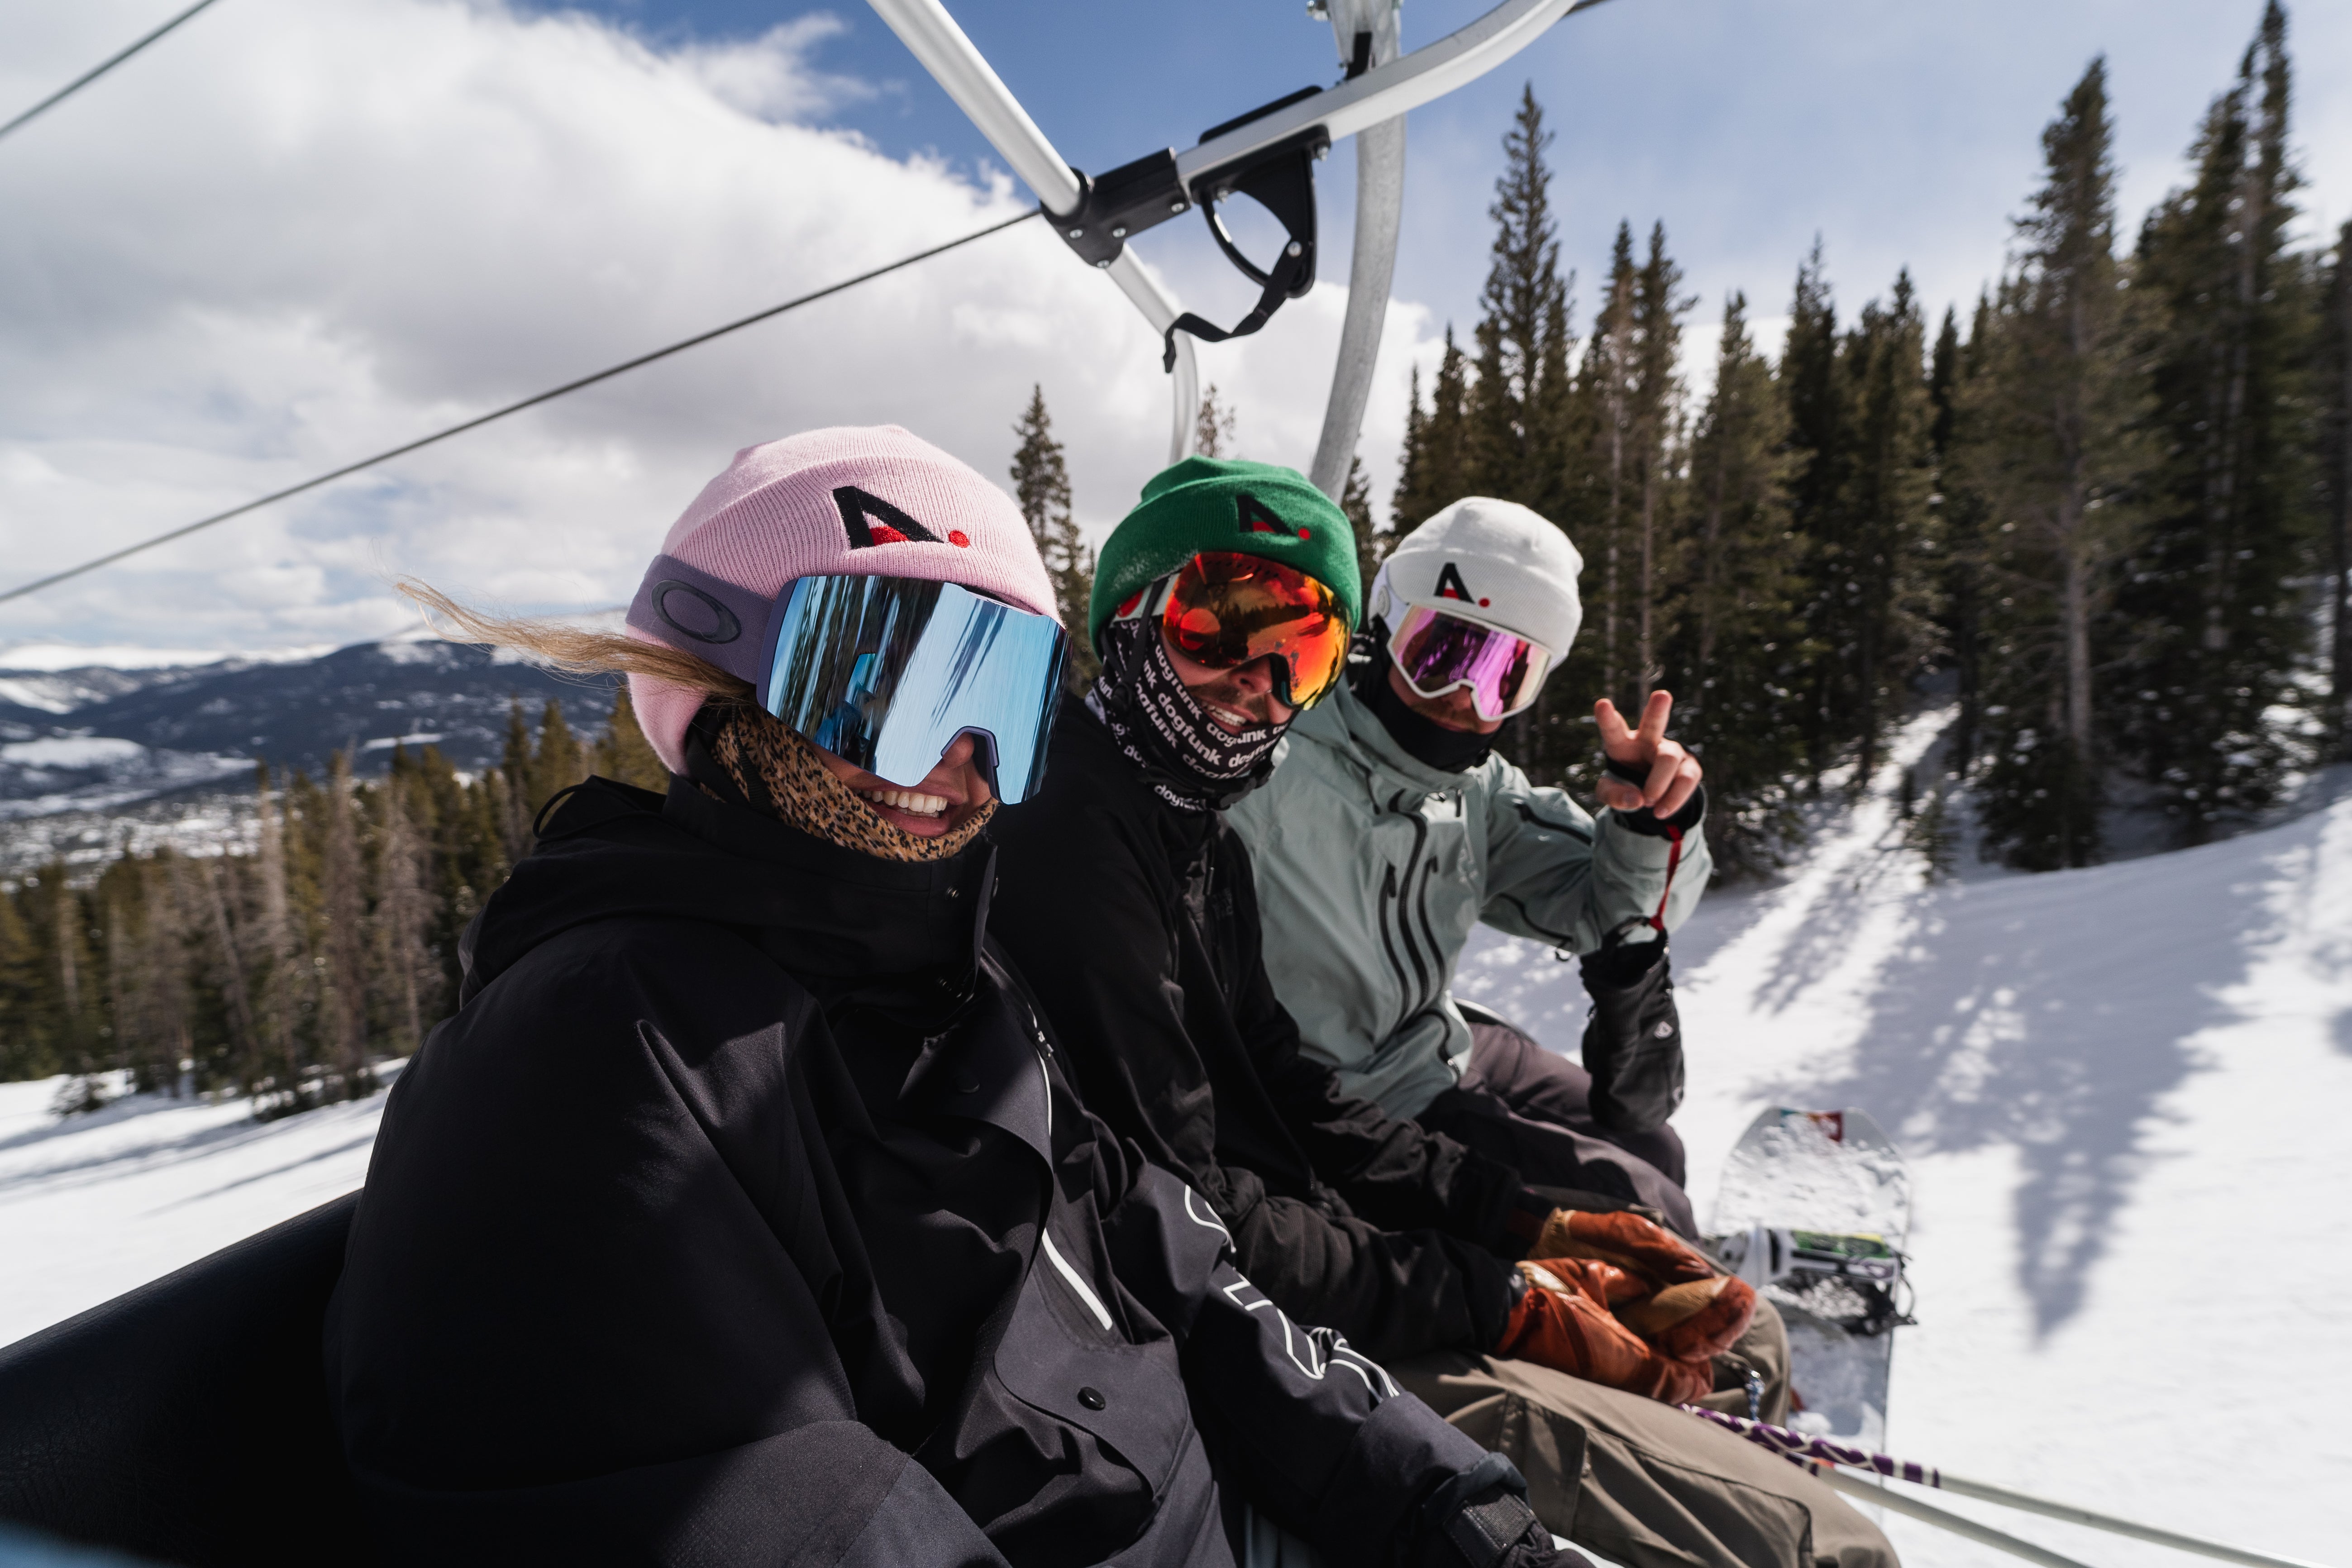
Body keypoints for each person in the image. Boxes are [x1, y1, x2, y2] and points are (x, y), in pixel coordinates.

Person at [324, 428, 1584, 1568]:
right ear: (719, 669)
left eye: (1000, 701)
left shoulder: (950, 978)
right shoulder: (604, 1065)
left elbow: (1172, 1259)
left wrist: (1432, 1499)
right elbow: (782, 1514)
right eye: (890, 686)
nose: (955, 764)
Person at [988, 459, 1894, 1568]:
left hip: (1348, 1185)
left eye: (1296, 656)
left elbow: (1282, 1080)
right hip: (1263, 1318)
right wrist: (1499, 1291)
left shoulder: (1196, 826)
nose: (1255, 686)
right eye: (1214, 627)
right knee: (1821, 1543)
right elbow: (1186, 1218)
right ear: (1124, 613)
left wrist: (1527, 1227)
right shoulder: (1108, 837)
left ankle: (1705, 1403)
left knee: (1651, 1196)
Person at [1227, 496, 1704, 1229]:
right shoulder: (1272, 763)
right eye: (1440, 655)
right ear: (1384, 623)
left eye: (1503, 677)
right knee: (1648, 1208)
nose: (1460, 697)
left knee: (1652, 1142)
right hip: (1351, 1092)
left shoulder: (1472, 789)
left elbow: (1604, 912)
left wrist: (1651, 825)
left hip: (1437, 1041)